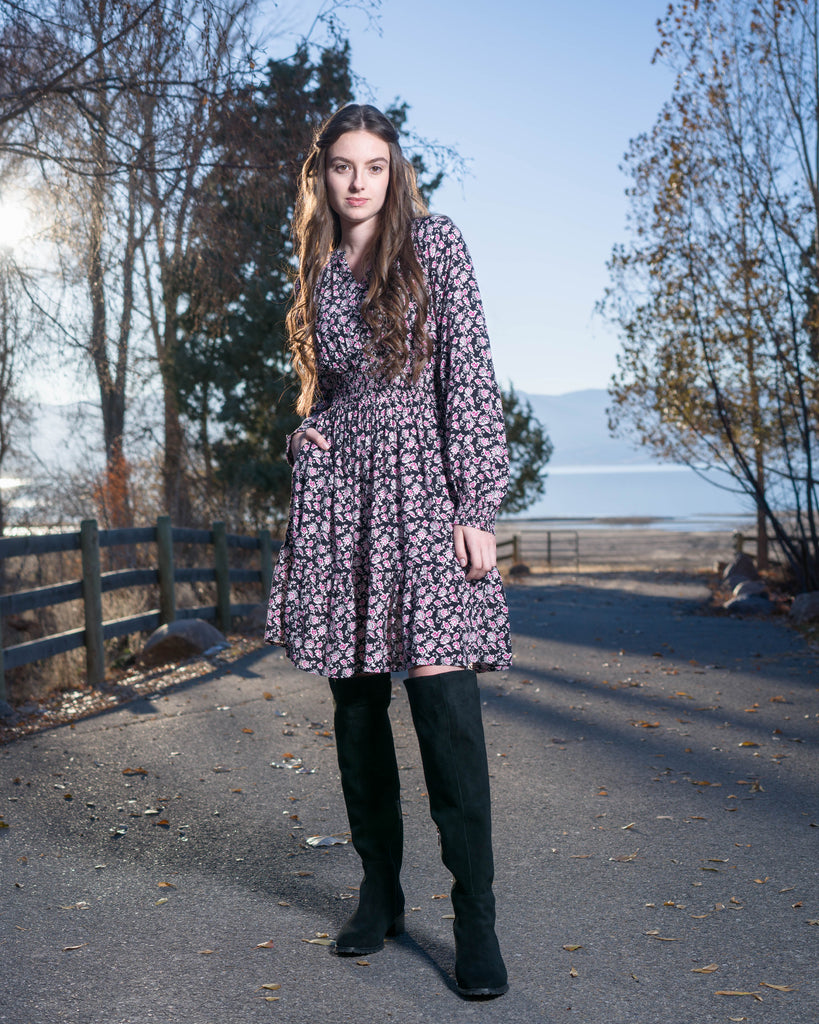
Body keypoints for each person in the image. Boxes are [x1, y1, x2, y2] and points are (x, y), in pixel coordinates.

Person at [264, 103, 512, 999]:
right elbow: (327, 394)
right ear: (321, 175)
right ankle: (380, 893)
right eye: (341, 165)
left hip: (425, 494)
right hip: (345, 507)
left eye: (374, 164)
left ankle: (475, 918)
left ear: (395, 171)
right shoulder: (320, 271)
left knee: (446, 713)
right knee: (357, 709)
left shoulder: (434, 246)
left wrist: (475, 504)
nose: (358, 180)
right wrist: (309, 437)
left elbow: (470, 374)